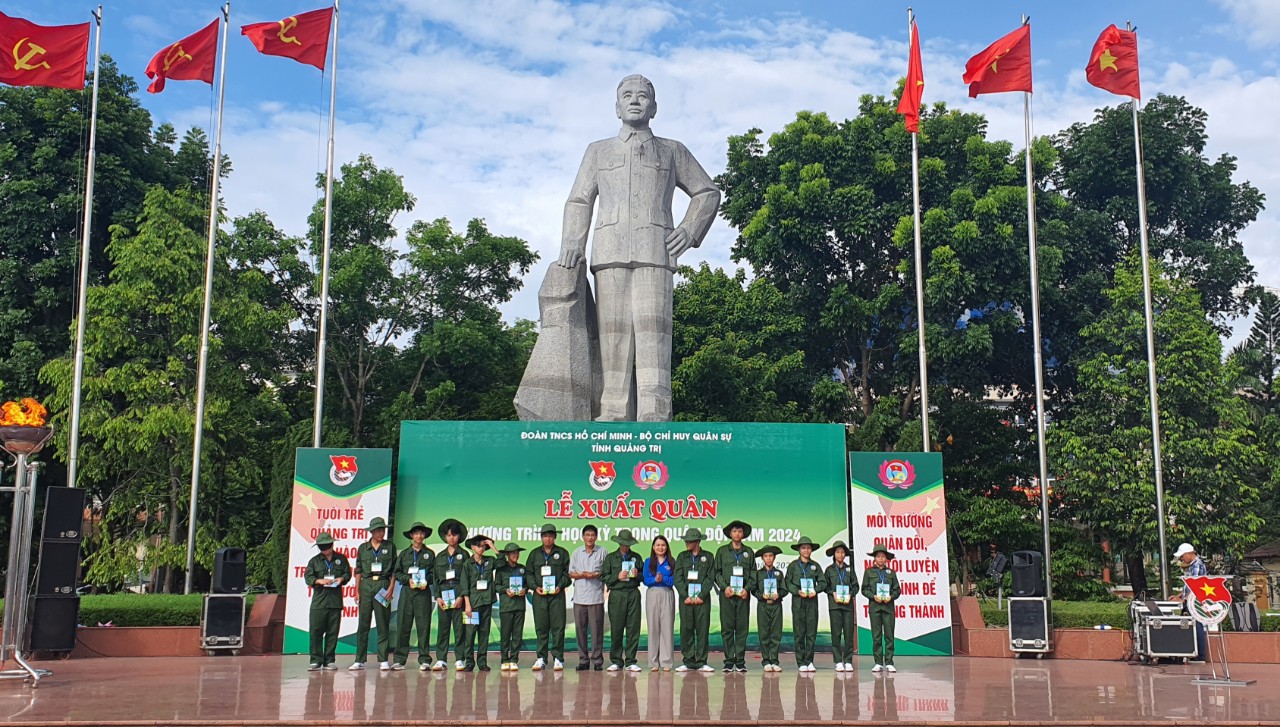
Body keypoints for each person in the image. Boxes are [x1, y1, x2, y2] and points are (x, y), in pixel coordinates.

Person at [554, 74, 721, 422]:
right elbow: (579, 200)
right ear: (616, 107)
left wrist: (690, 231)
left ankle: (655, 410)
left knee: (653, 333)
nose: (634, 100)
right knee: (613, 334)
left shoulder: (672, 150)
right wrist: (572, 244)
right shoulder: (597, 151)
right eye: (627, 96)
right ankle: (613, 409)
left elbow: (707, 192)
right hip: (610, 250)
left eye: (642, 96)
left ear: (654, 107)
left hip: (656, 251)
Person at [350, 516, 397, 671]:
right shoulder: (363, 548)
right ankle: (359, 659)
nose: (380, 533)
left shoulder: (390, 546)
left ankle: (383, 659)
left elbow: (394, 571)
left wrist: (391, 589)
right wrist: (356, 591)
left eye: (382, 530)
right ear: (371, 532)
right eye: (377, 530)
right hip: (366, 585)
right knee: (363, 623)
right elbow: (358, 570)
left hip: (383, 584)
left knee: (383, 622)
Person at [526, 523, 570, 671]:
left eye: (551, 536)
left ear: (555, 537)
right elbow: (529, 573)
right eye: (545, 536)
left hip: (557, 596)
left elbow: (567, 574)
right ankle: (541, 658)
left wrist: (560, 585)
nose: (548, 538)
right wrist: (534, 587)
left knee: (558, 628)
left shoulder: (562, 553)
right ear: (541, 537)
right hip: (540, 596)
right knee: (541, 628)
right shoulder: (534, 554)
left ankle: (558, 658)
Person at [392, 521, 436, 671]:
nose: (419, 535)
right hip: (407, 592)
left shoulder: (429, 554)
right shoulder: (404, 554)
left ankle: (424, 659)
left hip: (423, 593)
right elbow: (397, 572)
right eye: (416, 533)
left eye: (421, 533)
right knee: (403, 625)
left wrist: (426, 581)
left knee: (423, 626)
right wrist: (407, 580)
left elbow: (433, 574)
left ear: (424, 535)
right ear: (411, 535)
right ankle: (399, 659)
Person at [304, 531, 351, 671]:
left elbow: (347, 573)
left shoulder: (341, 559)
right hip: (319, 601)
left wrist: (341, 579)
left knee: (332, 632)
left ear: (331, 545)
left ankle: (329, 660)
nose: (324, 549)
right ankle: (315, 660)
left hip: (335, 601)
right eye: (321, 547)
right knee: (316, 631)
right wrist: (319, 580)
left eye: (326, 546)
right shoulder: (314, 561)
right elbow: (308, 577)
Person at [673, 527, 716, 673]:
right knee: (686, 629)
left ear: (697, 541)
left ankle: (702, 661)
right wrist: (685, 596)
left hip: (702, 600)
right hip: (686, 600)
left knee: (702, 630)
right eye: (686, 540)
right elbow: (677, 578)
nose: (686, 543)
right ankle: (688, 661)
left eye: (689, 541)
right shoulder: (682, 556)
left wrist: (701, 595)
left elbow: (710, 578)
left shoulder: (708, 556)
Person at [714, 520, 755, 672]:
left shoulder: (749, 552)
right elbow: (716, 572)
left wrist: (747, 589)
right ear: (730, 534)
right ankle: (729, 661)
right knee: (727, 628)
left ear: (743, 534)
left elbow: (753, 573)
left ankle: (740, 661)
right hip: (728, 596)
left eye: (740, 531)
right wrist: (724, 588)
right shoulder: (722, 551)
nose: (737, 534)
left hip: (743, 596)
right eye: (734, 531)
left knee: (742, 628)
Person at [431, 518, 471, 671]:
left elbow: (467, 577)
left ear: (459, 537)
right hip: (444, 593)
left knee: (459, 628)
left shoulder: (464, 555)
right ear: (445, 537)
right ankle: (441, 659)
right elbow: (435, 578)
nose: (451, 538)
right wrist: (438, 596)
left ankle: (459, 658)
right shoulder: (440, 556)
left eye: (454, 535)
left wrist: (461, 596)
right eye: (448, 535)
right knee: (443, 628)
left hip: (458, 592)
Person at [601, 528, 643, 672]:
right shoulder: (611, 558)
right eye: (623, 543)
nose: (625, 546)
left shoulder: (636, 557)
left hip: (633, 593)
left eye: (628, 543)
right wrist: (616, 577)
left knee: (633, 628)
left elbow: (643, 577)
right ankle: (617, 660)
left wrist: (637, 575)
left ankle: (631, 661)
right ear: (619, 543)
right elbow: (604, 576)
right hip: (617, 594)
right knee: (617, 628)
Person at [569, 523, 607, 671]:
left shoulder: (603, 552)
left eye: (592, 535)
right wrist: (582, 575)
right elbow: (571, 573)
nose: (590, 538)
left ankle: (597, 660)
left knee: (597, 630)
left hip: (596, 597)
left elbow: (607, 572)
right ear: (583, 537)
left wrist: (596, 574)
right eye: (587, 535)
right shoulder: (577, 553)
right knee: (580, 630)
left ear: (596, 537)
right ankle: (583, 660)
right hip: (579, 598)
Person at [787, 535, 827, 672]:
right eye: (803, 548)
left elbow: (823, 582)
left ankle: (809, 661)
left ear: (811, 550)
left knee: (811, 632)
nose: (806, 551)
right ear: (799, 550)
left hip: (811, 602)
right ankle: (801, 662)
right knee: (799, 632)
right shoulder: (793, 566)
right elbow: (788, 583)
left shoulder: (815, 566)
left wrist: (815, 590)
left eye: (808, 548)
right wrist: (797, 591)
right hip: (798, 601)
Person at [860, 541, 900, 673]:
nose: (881, 559)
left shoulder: (891, 573)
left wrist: (891, 597)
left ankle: (889, 662)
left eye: (883, 556)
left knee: (889, 635)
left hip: (888, 608)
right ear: (874, 558)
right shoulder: (868, 572)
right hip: (875, 608)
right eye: (878, 556)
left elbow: (897, 590)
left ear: (886, 558)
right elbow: (864, 589)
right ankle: (878, 662)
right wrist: (873, 596)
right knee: (876, 636)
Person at [461, 535, 497, 671]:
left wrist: (492, 546)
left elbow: (502, 562)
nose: (480, 548)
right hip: (473, 604)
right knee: (470, 634)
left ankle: (482, 662)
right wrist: (467, 605)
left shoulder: (490, 560)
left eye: (483, 546)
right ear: (472, 547)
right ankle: (469, 662)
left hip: (486, 602)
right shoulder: (467, 564)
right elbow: (464, 586)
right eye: (478, 545)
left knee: (484, 633)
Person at [643, 534, 676, 672]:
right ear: (653, 547)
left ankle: (666, 662)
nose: (660, 547)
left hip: (667, 593)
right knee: (653, 627)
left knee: (667, 627)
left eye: (663, 545)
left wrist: (663, 579)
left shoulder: (671, 562)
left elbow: (674, 580)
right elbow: (645, 579)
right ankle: (653, 662)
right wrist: (654, 580)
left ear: (667, 547)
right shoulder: (648, 561)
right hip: (652, 593)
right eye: (657, 545)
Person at [493, 542, 528, 671]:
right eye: (512, 553)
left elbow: (527, 583)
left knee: (517, 634)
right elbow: (496, 585)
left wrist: (525, 589)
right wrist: (505, 590)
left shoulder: (522, 568)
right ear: (507, 555)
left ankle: (514, 659)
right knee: (505, 634)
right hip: (506, 606)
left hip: (519, 606)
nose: (515, 555)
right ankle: (504, 659)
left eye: (517, 552)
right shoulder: (501, 570)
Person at [751, 545, 785, 672]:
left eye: (771, 556)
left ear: (774, 558)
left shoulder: (779, 573)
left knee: (776, 633)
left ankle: (775, 661)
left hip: (776, 605)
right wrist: (761, 596)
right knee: (764, 633)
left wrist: (779, 594)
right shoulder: (758, 574)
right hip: (763, 605)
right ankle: (766, 661)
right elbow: (753, 589)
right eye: (766, 556)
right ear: (762, 558)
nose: (768, 558)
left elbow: (784, 589)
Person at [1175, 542, 1209, 662]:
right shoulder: (1193, 565)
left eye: (1182, 556)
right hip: (1191, 600)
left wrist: (1185, 598)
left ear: (1189, 554)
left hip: (1194, 601)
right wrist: (1179, 595)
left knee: (1196, 625)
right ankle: (1193, 652)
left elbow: (1195, 585)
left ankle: (1200, 655)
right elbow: (1189, 585)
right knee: (1191, 625)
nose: (1182, 559)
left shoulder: (1197, 565)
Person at [825, 541, 856, 672]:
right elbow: (824, 586)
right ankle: (838, 660)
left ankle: (848, 660)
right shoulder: (829, 570)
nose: (840, 554)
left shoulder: (850, 569)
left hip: (848, 606)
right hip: (835, 606)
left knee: (849, 633)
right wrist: (832, 592)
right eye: (838, 552)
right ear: (834, 554)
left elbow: (856, 586)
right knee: (836, 634)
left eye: (842, 552)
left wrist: (850, 593)